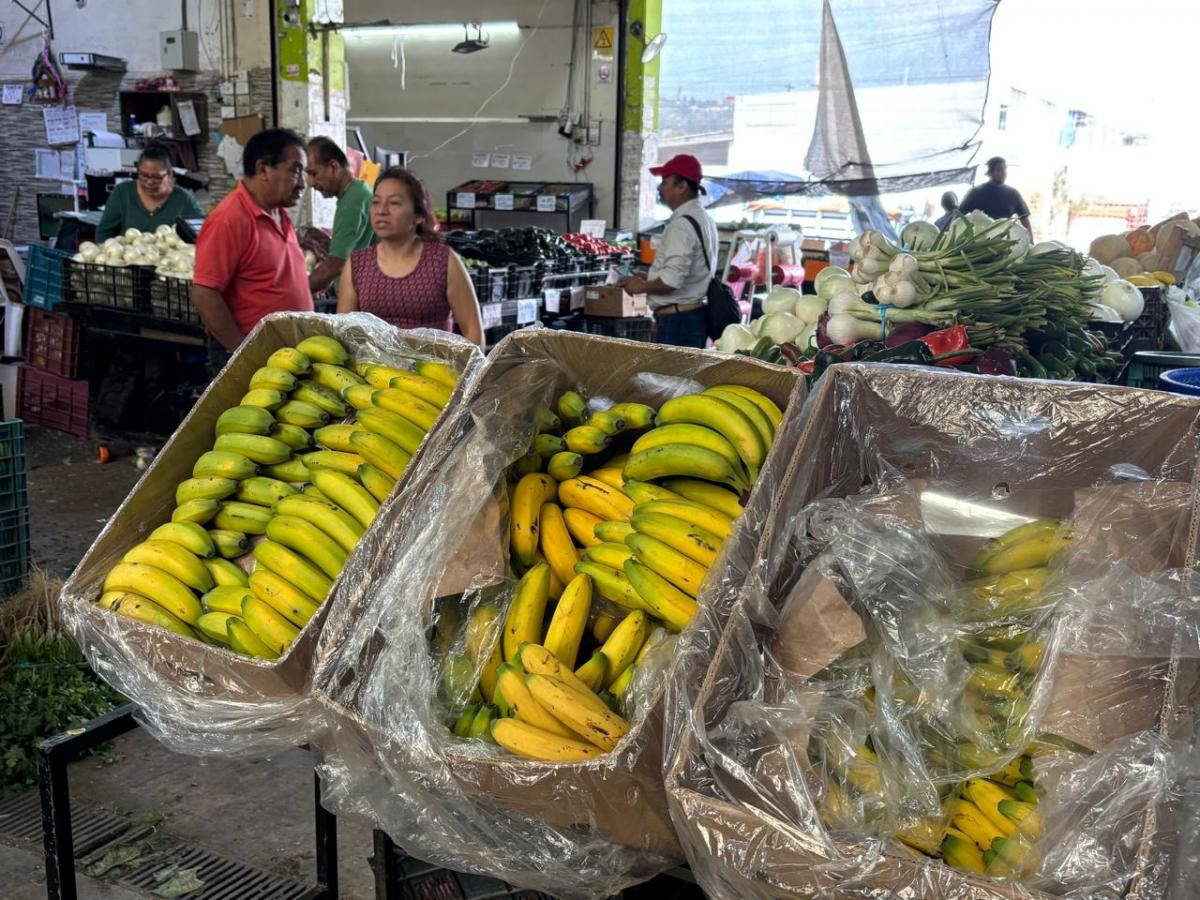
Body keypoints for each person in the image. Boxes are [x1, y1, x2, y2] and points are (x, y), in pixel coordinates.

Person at [192, 128, 313, 375]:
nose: (302, 183)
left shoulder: (278, 212)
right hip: (255, 359)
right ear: (263, 169)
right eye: (295, 171)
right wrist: (243, 352)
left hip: (289, 353)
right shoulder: (229, 219)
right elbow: (204, 293)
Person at [337, 166, 484, 347]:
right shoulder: (358, 264)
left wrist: (465, 365)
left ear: (418, 216)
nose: (381, 211)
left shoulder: (442, 261)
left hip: (433, 364)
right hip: (373, 365)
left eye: (394, 203)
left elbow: (473, 332)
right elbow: (343, 332)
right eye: (376, 202)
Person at [618, 154, 718, 348]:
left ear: (682, 186)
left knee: (673, 370)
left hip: (679, 323)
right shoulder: (703, 218)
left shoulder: (682, 225)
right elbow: (685, 271)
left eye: (665, 182)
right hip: (690, 317)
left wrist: (641, 286)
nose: (660, 188)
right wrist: (650, 277)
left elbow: (672, 281)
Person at [304, 136, 376, 296]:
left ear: (334, 166)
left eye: (314, 174)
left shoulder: (354, 200)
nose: (311, 183)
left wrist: (298, 293)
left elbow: (336, 264)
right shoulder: (356, 193)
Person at [95, 142, 204, 241]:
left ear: (170, 175)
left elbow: (204, 234)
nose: (149, 182)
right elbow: (104, 232)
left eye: (157, 177)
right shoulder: (122, 193)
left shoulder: (184, 199)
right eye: (144, 175)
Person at [958, 157, 1033, 237]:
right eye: (999, 169)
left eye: (1005, 169)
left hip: (1004, 239)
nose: (1004, 173)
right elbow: (959, 215)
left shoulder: (1013, 194)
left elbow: (1024, 219)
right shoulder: (975, 193)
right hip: (981, 239)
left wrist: (1031, 240)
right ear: (990, 172)